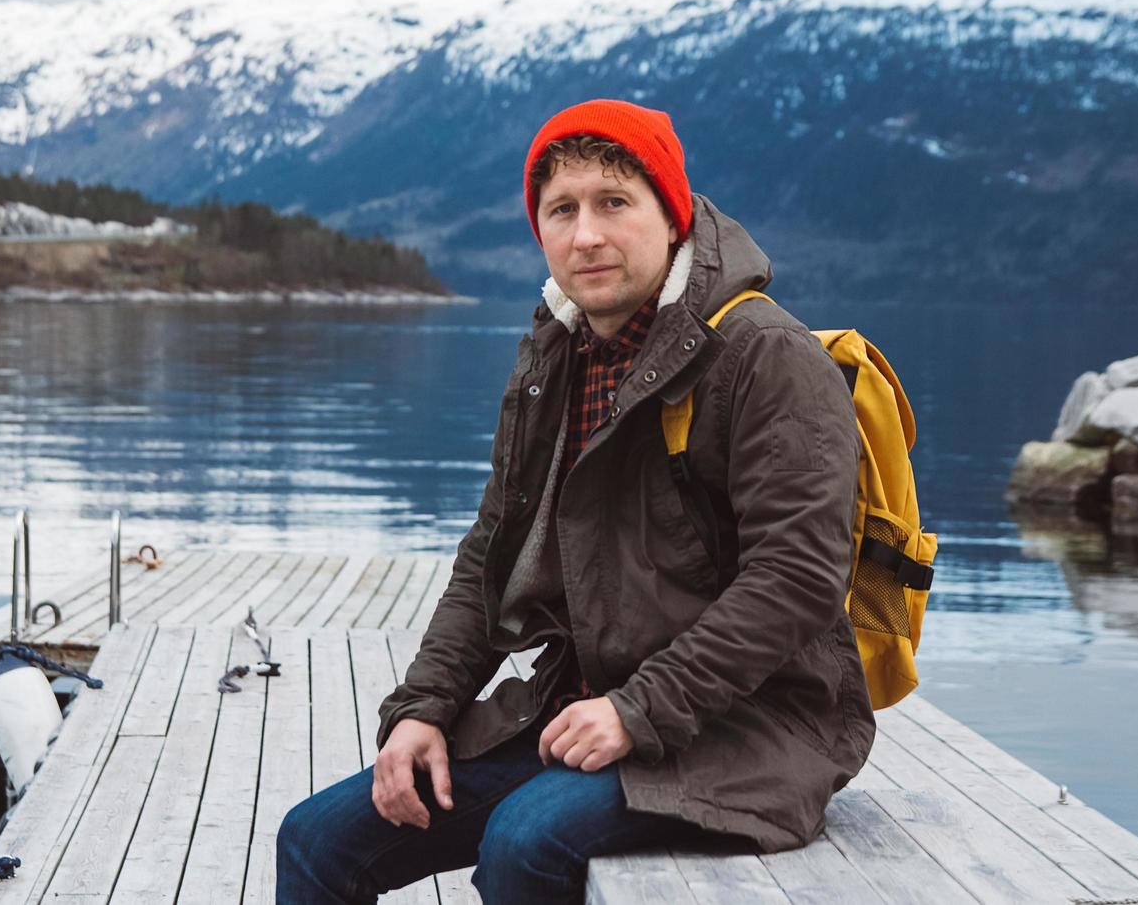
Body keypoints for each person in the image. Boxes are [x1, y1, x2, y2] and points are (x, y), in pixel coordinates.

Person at [277, 98, 875, 904]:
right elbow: (491, 554)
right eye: (561, 210)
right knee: (316, 841)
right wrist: (422, 709)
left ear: (672, 216)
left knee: (526, 842)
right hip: (590, 705)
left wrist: (638, 708)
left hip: (754, 726)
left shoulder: (767, 356)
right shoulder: (555, 356)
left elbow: (796, 579)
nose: (585, 234)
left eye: (613, 202)